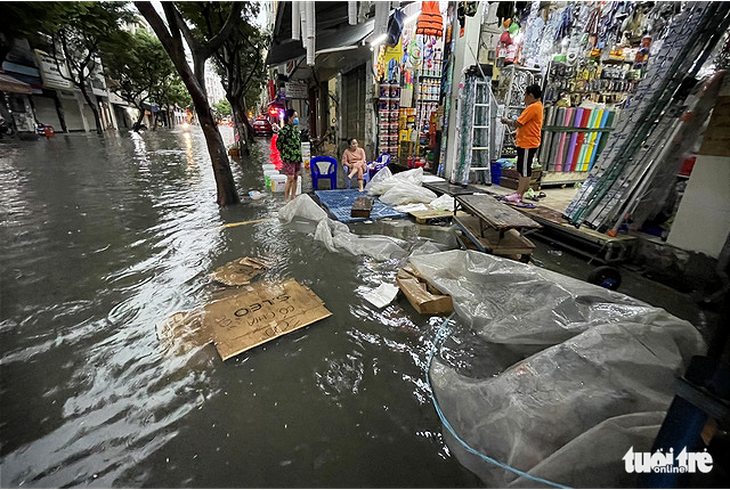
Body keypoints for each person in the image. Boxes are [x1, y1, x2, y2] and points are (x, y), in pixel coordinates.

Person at [500, 84, 544, 206]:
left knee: (524, 169)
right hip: (527, 141)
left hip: (528, 144)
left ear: (530, 95)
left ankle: (519, 194)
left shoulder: (533, 107)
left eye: (525, 95)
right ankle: (519, 193)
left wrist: (506, 121)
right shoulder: (538, 106)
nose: (524, 98)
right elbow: (528, 125)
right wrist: (517, 133)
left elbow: (519, 122)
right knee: (523, 168)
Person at [276, 109, 302, 201]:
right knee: (290, 178)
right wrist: (285, 153)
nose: (296, 119)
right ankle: (286, 198)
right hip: (289, 158)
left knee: (295, 177)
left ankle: (293, 196)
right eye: (294, 117)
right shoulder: (285, 131)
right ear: (289, 118)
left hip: (297, 157)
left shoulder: (295, 130)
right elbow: (278, 144)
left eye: (297, 117)